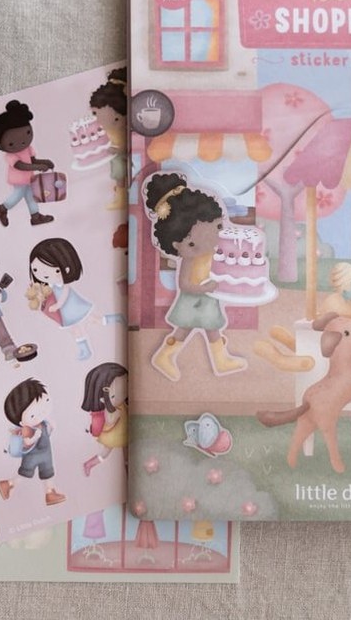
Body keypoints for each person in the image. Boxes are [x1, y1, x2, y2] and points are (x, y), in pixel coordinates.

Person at [142, 172, 246, 381]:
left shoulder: (212, 253)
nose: (216, 236)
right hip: (194, 300)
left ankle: (218, 359)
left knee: (207, 328)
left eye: (218, 226)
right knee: (190, 328)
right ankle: (166, 356)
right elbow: (184, 284)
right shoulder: (190, 259)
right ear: (180, 245)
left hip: (207, 299)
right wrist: (204, 289)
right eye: (192, 242)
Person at [0, 99, 55, 227]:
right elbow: (20, 166)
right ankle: (2, 208)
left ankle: (35, 216)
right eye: (11, 143)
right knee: (18, 195)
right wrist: (38, 167)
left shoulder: (27, 148)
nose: (22, 141)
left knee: (31, 196)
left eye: (28, 133)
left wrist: (45, 162)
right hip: (19, 179)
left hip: (28, 178)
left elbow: (32, 160)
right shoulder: (11, 155)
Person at [0, 378, 66, 506]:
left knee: (48, 473)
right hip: (33, 456)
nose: (42, 412)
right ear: (21, 422)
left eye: (46, 401)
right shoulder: (28, 430)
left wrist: (50, 428)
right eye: (33, 415)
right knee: (25, 474)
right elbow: (27, 443)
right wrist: (34, 437)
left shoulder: (43, 423)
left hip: (46, 454)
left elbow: (47, 433)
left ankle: (50, 493)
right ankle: (8, 484)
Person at [28, 237, 99, 360]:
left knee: (86, 323)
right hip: (65, 312)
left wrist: (58, 305)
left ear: (67, 268)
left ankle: (86, 349)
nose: (43, 274)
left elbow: (65, 293)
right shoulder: (49, 285)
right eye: (35, 269)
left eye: (54, 269)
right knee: (79, 327)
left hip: (72, 308)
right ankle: (85, 349)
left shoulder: (61, 284)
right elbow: (45, 295)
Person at [89, 67, 127, 210]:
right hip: (116, 157)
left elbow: (128, 145)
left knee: (120, 174)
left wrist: (116, 149)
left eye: (116, 119)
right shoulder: (108, 129)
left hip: (124, 157)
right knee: (117, 174)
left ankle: (122, 197)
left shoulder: (124, 130)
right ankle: (120, 193)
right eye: (95, 114)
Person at [81, 362, 128, 475]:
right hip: (114, 434)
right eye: (114, 394)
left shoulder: (121, 404)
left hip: (123, 431)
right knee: (105, 453)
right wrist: (111, 406)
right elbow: (110, 420)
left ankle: (128, 465)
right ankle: (89, 464)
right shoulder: (111, 409)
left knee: (126, 449)